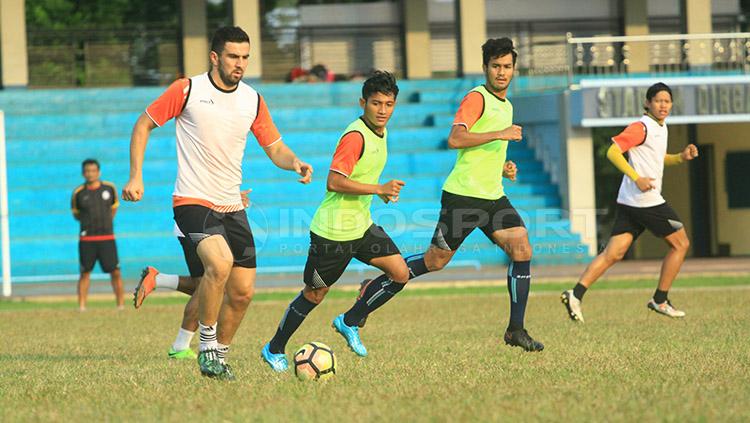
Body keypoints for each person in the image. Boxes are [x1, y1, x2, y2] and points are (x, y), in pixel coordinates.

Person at [122, 26, 313, 380]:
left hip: (232, 206)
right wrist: (136, 176)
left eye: (244, 57)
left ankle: (219, 358)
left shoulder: (252, 99)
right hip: (192, 201)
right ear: (215, 57)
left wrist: (295, 162)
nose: (239, 64)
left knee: (242, 294)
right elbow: (142, 125)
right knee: (219, 265)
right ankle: (206, 346)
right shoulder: (188, 89)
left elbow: (274, 147)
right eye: (232, 56)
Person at [341, 38, 544, 352]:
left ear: (514, 69)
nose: (501, 72)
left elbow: (482, 149)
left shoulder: (507, 105)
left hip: (493, 196)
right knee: (434, 262)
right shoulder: (477, 98)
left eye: (506, 66)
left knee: (522, 248)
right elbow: (456, 138)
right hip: (463, 197)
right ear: (485, 68)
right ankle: (362, 302)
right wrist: (501, 134)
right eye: (495, 66)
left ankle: (515, 329)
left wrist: (502, 166)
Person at [260, 71, 408, 372]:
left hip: (361, 226)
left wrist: (377, 194)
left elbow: (360, 178)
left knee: (400, 273)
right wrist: (379, 188)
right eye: (376, 103)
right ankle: (274, 348)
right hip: (332, 233)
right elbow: (334, 182)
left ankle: (349, 320)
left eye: (389, 104)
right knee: (314, 294)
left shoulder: (381, 132)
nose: (382, 111)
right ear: (362, 103)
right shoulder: (355, 137)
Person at [561, 82, 698, 322]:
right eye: (658, 101)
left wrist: (681, 157)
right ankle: (660, 299)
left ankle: (576, 294)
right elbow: (612, 152)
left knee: (613, 253)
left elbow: (657, 158)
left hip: (630, 201)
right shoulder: (641, 127)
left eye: (667, 101)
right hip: (646, 201)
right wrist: (636, 178)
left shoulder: (660, 127)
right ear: (647, 103)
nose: (663, 105)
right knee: (681, 244)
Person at [71, 158, 124, 311]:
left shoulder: (109, 188)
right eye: (87, 171)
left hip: (107, 238)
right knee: (85, 272)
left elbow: (113, 209)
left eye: (93, 171)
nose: (90, 174)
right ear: (83, 173)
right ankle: (82, 307)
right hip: (87, 239)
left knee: (115, 271)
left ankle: (120, 305)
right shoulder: (78, 193)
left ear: (98, 172)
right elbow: (76, 214)